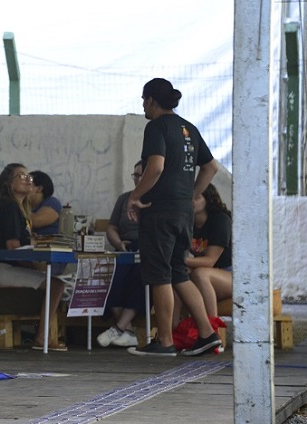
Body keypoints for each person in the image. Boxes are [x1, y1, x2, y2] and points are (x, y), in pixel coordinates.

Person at [126, 78, 222, 357]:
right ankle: (207, 334)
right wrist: (191, 195)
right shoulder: (189, 128)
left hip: (160, 210)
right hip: (182, 212)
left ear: (152, 100)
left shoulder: (155, 126)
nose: (143, 105)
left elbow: (155, 167)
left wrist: (135, 196)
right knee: (179, 272)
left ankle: (165, 341)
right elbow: (211, 167)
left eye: (144, 99)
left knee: (159, 275)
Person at [0, 163, 68, 352]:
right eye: (21, 176)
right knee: (57, 285)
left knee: (54, 282)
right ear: (8, 183)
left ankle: (42, 336)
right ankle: (42, 338)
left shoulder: (20, 210)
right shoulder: (9, 207)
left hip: (5, 266)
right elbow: (13, 246)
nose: (28, 179)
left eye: (28, 176)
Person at [96, 161, 144, 348]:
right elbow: (112, 227)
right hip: (124, 247)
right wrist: (118, 242)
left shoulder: (158, 199)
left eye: (141, 175)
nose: (137, 179)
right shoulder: (124, 199)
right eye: (135, 175)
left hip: (147, 250)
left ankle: (118, 328)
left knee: (140, 275)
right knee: (109, 275)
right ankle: (128, 330)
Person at [184, 183, 232, 319]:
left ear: (208, 200)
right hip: (210, 271)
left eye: (196, 198)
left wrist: (181, 261)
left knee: (200, 274)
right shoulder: (187, 222)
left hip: (232, 273)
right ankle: (177, 329)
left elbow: (210, 261)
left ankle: (211, 328)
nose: (191, 202)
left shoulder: (221, 220)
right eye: (188, 198)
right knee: (178, 275)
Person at [27, 170, 62, 236]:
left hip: (49, 245)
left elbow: (35, 221)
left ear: (39, 188)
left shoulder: (52, 202)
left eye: (28, 185)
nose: (24, 189)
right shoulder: (30, 208)